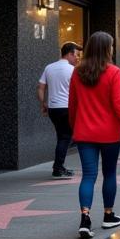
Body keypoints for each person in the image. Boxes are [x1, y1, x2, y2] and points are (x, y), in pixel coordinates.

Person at [67, 32, 120, 239]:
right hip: (109, 134)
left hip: (84, 133)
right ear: (107, 49)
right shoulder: (114, 72)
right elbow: (118, 104)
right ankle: (108, 215)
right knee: (109, 174)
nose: (113, 49)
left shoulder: (77, 72)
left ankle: (85, 218)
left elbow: (72, 105)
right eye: (112, 46)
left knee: (88, 176)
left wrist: (74, 127)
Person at [37, 41, 81, 178]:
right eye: (76, 55)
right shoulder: (73, 70)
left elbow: (41, 87)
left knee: (62, 136)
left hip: (53, 109)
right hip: (67, 108)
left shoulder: (49, 67)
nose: (77, 58)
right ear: (69, 54)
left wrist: (43, 103)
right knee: (65, 137)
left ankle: (59, 166)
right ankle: (58, 168)